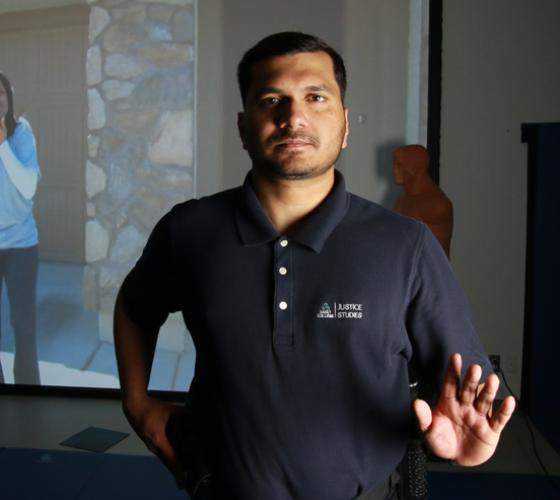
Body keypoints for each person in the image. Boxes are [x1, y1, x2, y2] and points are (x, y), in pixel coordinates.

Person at [114, 32, 515, 500]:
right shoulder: (190, 230)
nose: (294, 117)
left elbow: (464, 387)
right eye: (272, 99)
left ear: (344, 126)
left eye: (316, 97)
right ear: (243, 127)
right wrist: (137, 403)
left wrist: (466, 440)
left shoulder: (405, 244)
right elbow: (136, 306)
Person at [0, 71, 41, 385]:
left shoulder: (21, 132)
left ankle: (30, 395)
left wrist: (1, 143)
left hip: (21, 246)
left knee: (24, 327)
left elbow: (28, 187)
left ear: (8, 99)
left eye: (1, 93)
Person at [392, 145, 453, 257]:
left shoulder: (436, 205)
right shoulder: (402, 198)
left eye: (399, 165)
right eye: (394, 164)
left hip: (428, 273)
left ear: (418, 167)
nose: (394, 170)